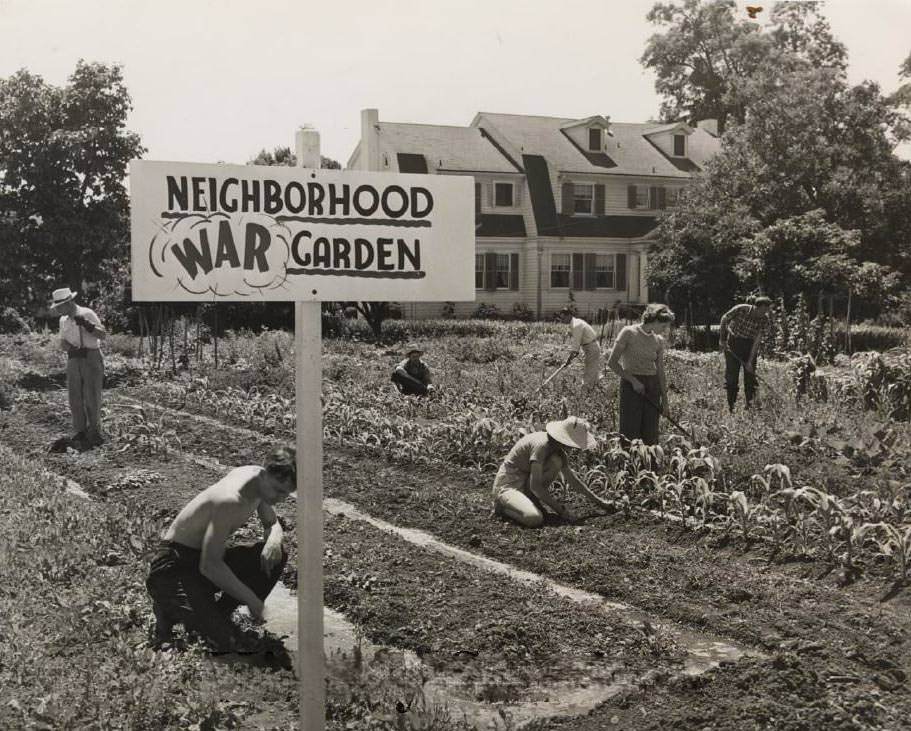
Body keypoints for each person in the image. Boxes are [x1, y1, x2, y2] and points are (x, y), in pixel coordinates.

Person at [145, 447, 295, 653]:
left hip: (201, 559)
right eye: (279, 490)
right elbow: (211, 565)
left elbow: (272, 522)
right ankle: (169, 608)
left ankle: (217, 615)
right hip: (173, 566)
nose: (281, 498)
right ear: (264, 474)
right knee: (224, 644)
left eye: (287, 494)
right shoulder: (230, 500)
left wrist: (274, 540)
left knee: (277, 555)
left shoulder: (258, 484)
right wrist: (253, 602)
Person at [492, 416, 611, 528]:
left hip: (525, 486)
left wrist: (601, 503)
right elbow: (536, 486)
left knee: (556, 462)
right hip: (508, 486)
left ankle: (528, 501)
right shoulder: (542, 446)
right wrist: (561, 511)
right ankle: (502, 507)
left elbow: (573, 481)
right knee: (534, 518)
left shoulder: (559, 452)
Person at [606, 303, 675, 445]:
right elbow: (612, 363)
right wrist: (633, 381)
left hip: (652, 388)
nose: (665, 330)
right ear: (655, 321)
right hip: (631, 387)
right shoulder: (628, 333)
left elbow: (660, 372)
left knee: (650, 434)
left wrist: (665, 402)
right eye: (663, 326)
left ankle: (649, 466)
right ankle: (629, 466)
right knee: (629, 434)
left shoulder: (658, 340)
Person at [50, 287, 106, 449]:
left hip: (91, 356)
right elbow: (62, 341)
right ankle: (80, 431)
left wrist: (87, 325)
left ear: (69, 303)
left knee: (91, 395)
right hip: (74, 358)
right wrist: (70, 347)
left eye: (60, 307)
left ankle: (94, 432)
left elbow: (103, 334)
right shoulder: (63, 320)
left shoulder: (87, 313)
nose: (59, 310)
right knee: (74, 397)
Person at [719, 296, 773, 412]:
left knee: (750, 377)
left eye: (766, 311)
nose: (764, 314)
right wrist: (722, 339)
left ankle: (750, 407)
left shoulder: (764, 320)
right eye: (763, 311)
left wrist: (749, 361)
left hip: (749, 346)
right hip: (733, 343)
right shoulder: (741, 309)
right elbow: (724, 318)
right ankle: (731, 407)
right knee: (732, 377)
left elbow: (757, 342)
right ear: (755, 307)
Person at [558, 308, 601, 389]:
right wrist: (570, 359)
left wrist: (568, 360)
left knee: (589, 370)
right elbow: (576, 346)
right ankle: (594, 388)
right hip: (590, 346)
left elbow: (575, 348)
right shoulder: (575, 322)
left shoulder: (576, 325)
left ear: (569, 315)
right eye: (561, 318)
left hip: (591, 347)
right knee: (592, 369)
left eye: (563, 318)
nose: (562, 320)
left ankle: (585, 390)